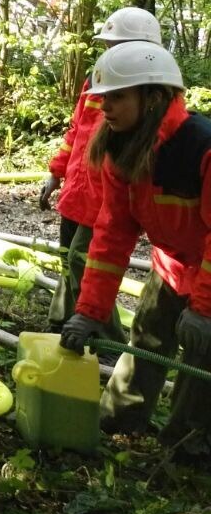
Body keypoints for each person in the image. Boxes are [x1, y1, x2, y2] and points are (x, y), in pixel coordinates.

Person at [59, 42, 211, 461]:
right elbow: (112, 234)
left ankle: (187, 450)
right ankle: (119, 421)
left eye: (117, 96)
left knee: (202, 359)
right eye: (102, 97)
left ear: (154, 97)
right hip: (173, 265)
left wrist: (203, 309)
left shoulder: (201, 149)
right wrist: (90, 311)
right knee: (148, 334)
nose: (104, 106)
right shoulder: (121, 148)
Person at [38, 6, 163, 340]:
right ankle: (63, 320)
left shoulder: (146, 95)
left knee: (84, 261)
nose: (110, 52)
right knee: (68, 257)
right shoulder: (95, 81)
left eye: (117, 46)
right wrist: (56, 173)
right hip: (77, 192)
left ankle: (107, 340)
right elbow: (76, 131)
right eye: (108, 46)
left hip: (106, 199)